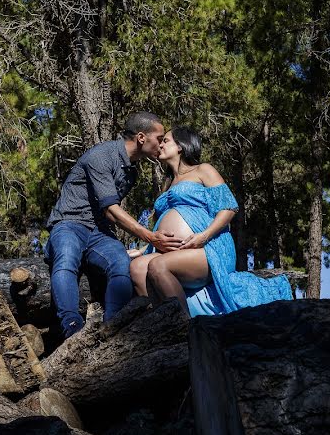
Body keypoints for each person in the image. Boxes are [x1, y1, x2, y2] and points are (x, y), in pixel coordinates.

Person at [44, 112, 183, 338]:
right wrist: (151, 237)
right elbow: (112, 210)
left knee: (120, 262)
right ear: (141, 137)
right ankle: (71, 327)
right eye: (159, 138)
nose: (161, 143)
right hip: (70, 223)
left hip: (100, 233)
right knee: (67, 256)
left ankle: (114, 326)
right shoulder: (100, 156)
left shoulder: (131, 172)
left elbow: (108, 217)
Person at [129, 126, 293, 316]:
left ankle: (183, 328)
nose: (160, 144)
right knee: (138, 267)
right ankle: (155, 327)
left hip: (207, 248)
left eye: (166, 140)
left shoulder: (202, 170)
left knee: (159, 266)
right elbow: (161, 224)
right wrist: (141, 250)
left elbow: (229, 207)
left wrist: (204, 236)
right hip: (172, 251)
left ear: (181, 146)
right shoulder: (167, 183)